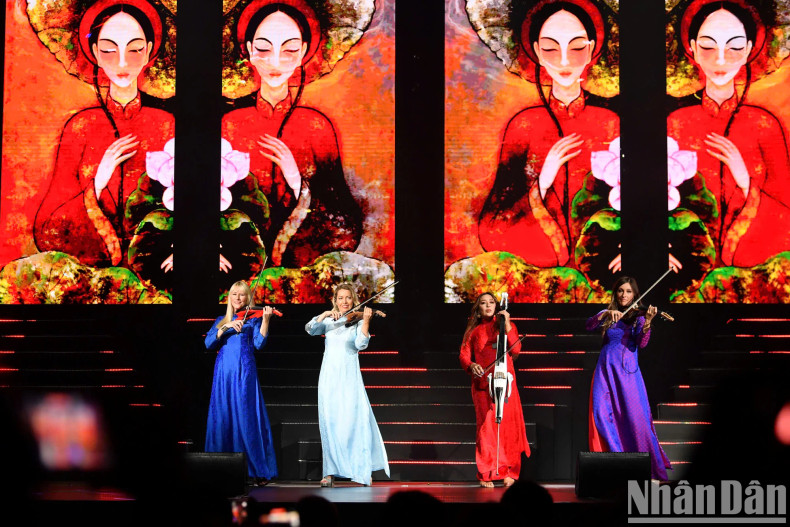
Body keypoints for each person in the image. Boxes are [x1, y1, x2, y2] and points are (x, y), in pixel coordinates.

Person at [33, 0, 174, 275]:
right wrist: (97, 182)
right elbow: (47, 228)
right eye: (110, 49)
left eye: (134, 50)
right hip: (92, 271)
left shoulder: (167, 125)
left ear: (148, 52)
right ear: (95, 52)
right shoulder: (81, 126)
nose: (122, 62)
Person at [478, 0, 618, 275]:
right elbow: (492, 225)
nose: (564, 60)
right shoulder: (524, 124)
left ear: (591, 50)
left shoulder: (611, 124)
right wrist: (543, 180)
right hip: (539, 264)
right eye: (551, 48)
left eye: (577, 47)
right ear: (537, 52)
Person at [222, 0, 363, 268]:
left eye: (289, 50)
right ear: (250, 50)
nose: (275, 61)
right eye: (264, 48)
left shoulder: (316, 126)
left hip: (298, 266)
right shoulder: (229, 124)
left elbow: (344, 223)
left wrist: (298, 183)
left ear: (304, 52)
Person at [668, 0, 790, 268]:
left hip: (751, 264)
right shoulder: (674, 124)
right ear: (691, 48)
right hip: (680, 265)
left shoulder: (764, 124)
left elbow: (785, 212)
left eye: (734, 47)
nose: (720, 59)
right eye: (708, 46)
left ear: (748, 50)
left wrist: (745, 182)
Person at [586, 276, 671, 480]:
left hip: (627, 372)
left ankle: (647, 469)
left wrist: (648, 322)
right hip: (605, 371)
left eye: (629, 291)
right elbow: (589, 325)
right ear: (616, 293)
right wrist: (606, 313)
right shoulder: (608, 314)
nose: (624, 295)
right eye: (621, 291)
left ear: (635, 294)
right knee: (600, 413)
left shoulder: (638, 316)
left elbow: (641, 344)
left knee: (635, 420)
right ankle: (616, 464)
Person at [305, 284, 389, 486]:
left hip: (349, 377)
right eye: (340, 298)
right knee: (330, 423)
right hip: (329, 377)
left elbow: (361, 344)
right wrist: (325, 313)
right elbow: (310, 329)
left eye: (348, 298)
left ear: (353, 300)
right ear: (335, 300)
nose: (344, 302)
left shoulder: (358, 321)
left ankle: (362, 470)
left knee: (354, 422)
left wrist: (367, 320)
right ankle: (330, 472)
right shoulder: (329, 320)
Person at [204, 281, 278, 485]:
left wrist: (265, 320)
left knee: (247, 417)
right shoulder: (221, 319)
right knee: (224, 416)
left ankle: (256, 471)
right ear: (229, 297)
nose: (238, 298)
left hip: (244, 372)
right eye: (234, 294)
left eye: (242, 295)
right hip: (223, 375)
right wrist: (226, 326)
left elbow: (259, 344)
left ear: (248, 298)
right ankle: (220, 469)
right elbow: (209, 343)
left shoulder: (252, 320)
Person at [459, 292, 530, 487]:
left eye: (491, 302)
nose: (488, 305)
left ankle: (509, 470)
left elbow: (515, 351)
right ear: (478, 309)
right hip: (483, 382)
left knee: (508, 427)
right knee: (486, 428)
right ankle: (486, 472)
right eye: (483, 303)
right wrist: (472, 366)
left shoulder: (506, 325)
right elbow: (464, 355)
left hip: (505, 382)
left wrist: (506, 323)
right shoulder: (473, 331)